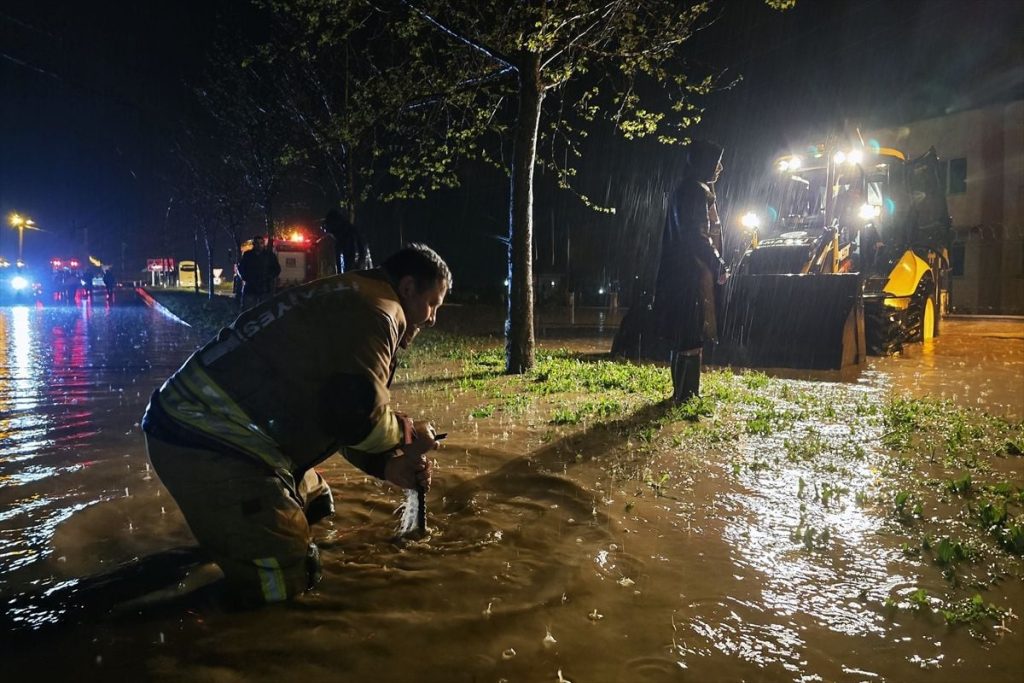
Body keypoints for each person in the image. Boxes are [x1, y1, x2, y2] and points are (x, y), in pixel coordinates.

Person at [142, 243, 451, 605]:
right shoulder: (379, 312)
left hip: (210, 428)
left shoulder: (355, 294)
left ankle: (233, 541)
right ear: (409, 287)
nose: (433, 318)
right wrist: (410, 434)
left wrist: (387, 465)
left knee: (316, 504)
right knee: (286, 581)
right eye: (433, 304)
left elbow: (332, 410)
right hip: (207, 441)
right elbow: (355, 419)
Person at [651, 140, 728, 404]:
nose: (720, 168)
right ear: (706, 163)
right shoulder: (695, 191)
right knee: (691, 333)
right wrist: (718, 263)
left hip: (679, 275)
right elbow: (697, 235)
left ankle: (682, 394)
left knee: (684, 335)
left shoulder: (684, 189)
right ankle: (687, 397)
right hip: (690, 275)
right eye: (717, 162)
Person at [323, 208, 373, 273]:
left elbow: (360, 248)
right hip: (353, 266)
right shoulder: (343, 233)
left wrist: (359, 263)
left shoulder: (348, 233)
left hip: (355, 266)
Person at [237, 235, 279, 310]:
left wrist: (269, 278)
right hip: (250, 288)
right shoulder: (247, 255)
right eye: (257, 243)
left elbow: (277, 269)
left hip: (265, 288)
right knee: (248, 311)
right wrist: (246, 278)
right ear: (253, 244)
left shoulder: (270, 255)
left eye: (261, 243)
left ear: (263, 244)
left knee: (264, 311)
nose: (259, 245)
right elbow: (241, 268)